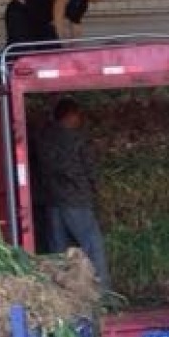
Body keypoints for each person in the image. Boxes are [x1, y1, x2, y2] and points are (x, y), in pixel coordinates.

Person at [35, 97, 109, 289]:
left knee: (57, 252)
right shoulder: (76, 139)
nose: (80, 120)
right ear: (71, 115)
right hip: (76, 199)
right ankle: (103, 294)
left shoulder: (44, 139)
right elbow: (89, 168)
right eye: (78, 115)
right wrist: (97, 189)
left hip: (52, 200)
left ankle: (60, 295)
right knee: (92, 246)